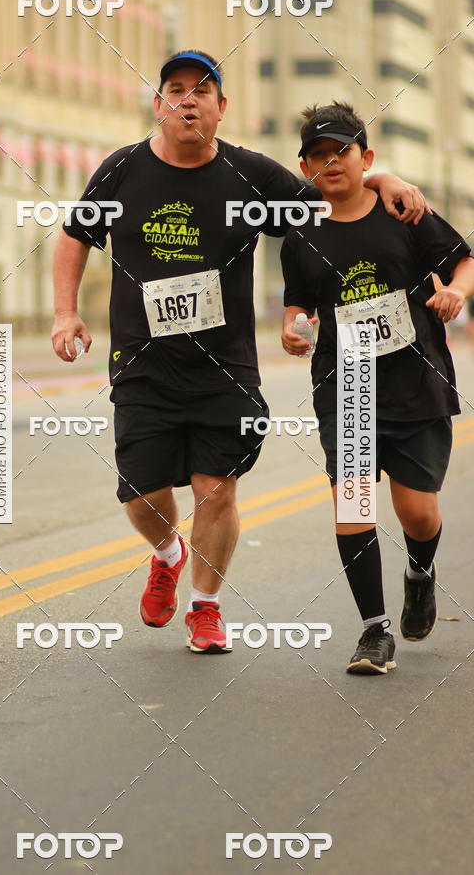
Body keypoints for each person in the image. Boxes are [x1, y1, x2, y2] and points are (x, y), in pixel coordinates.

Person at [52, 51, 428, 654]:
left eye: (202, 90)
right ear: (159, 105)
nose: (188, 99)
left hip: (224, 369)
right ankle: (168, 553)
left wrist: (382, 179)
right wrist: (67, 312)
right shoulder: (121, 171)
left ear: (221, 108)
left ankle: (205, 608)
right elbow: (74, 236)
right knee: (142, 492)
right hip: (143, 364)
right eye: (175, 89)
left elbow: (328, 196)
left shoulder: (250, 175)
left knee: (216, 488)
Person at [281, 101, 474, 674]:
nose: (330, 162)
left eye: (340, 152)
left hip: (416, 382)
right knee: (353, 504)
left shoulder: (404, 211)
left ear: (365, 158)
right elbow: (298, 299)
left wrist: (457, 293)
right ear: (306, 167)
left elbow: (463, 260)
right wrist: (293, 327)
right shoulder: (302, 234)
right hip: (347, 386)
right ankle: (373, 631)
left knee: (417, 513)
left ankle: (420, 572)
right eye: (318, 155)